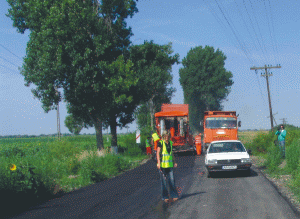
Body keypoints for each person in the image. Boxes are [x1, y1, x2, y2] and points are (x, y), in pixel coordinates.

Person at [156, 132, 179, 203]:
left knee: (172, 180)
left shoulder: (170, 143)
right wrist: (159, 163)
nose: (166, 137)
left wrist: (174, 161)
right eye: (165, 136)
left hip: (170, 165)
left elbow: (171, 153)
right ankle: (165, 197)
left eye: (168, 136)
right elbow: (158, 153)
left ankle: (174, 195)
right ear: (163, 136)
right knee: (164, 182)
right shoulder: (161, 143)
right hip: (163, 166)